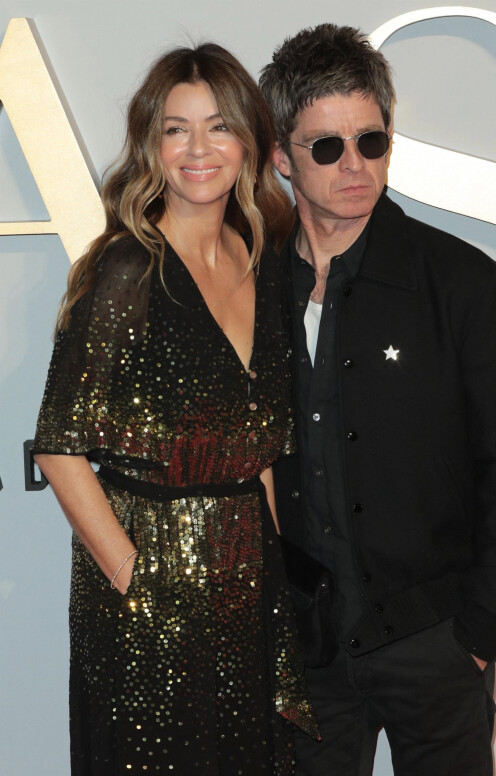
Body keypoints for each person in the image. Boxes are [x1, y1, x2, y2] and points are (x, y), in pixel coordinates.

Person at [260, 23, 496, 776]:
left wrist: (481, 629)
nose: (353, 164)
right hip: (306, 654)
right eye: (326, 146)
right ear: (280, 157)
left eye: (372, 141)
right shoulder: (248, 295)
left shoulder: (465, 286)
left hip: (436, 643)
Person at [32, 43, 318, 775]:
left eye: (219, 127)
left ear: (249, 144)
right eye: (175, 129)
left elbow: (254, 457)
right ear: (152, 146)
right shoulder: (128, 268)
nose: (198, 149)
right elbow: (61, 448)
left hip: (246, 585)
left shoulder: (261, 260)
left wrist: (278, 576)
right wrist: (135, 578)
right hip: (148, 594)